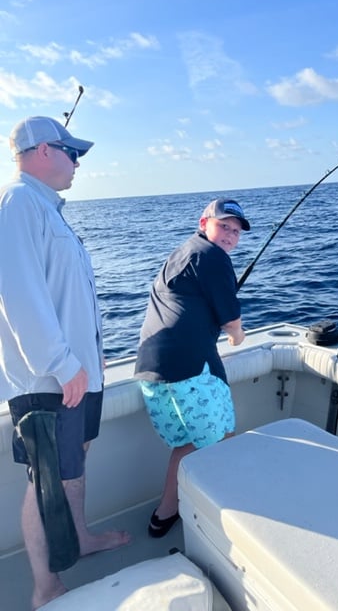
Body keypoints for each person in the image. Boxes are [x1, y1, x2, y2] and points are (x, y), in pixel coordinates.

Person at [0, 116, 130, 610]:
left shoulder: (46, 210)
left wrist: (88, 362)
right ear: (43, 151)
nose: (78, 162)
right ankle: (43, 585)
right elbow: (18, 295)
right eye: (72, 152)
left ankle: (80, 536)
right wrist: (60, 361)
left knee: (75, 464)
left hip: (77, 375)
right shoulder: (16, 203)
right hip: (49, 379)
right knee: (46, 476)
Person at [134, 197, 250, 537]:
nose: (230, 235)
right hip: (190, 370)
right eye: (223, 226)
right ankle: (219, 524)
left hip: (152, 370)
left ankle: (164, 513)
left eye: (236, 230)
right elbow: (232, 322)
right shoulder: (213, 256)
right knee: (218, 440)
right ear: (204, 223)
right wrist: (237, 337)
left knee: (188, 442)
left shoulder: (183, 253)